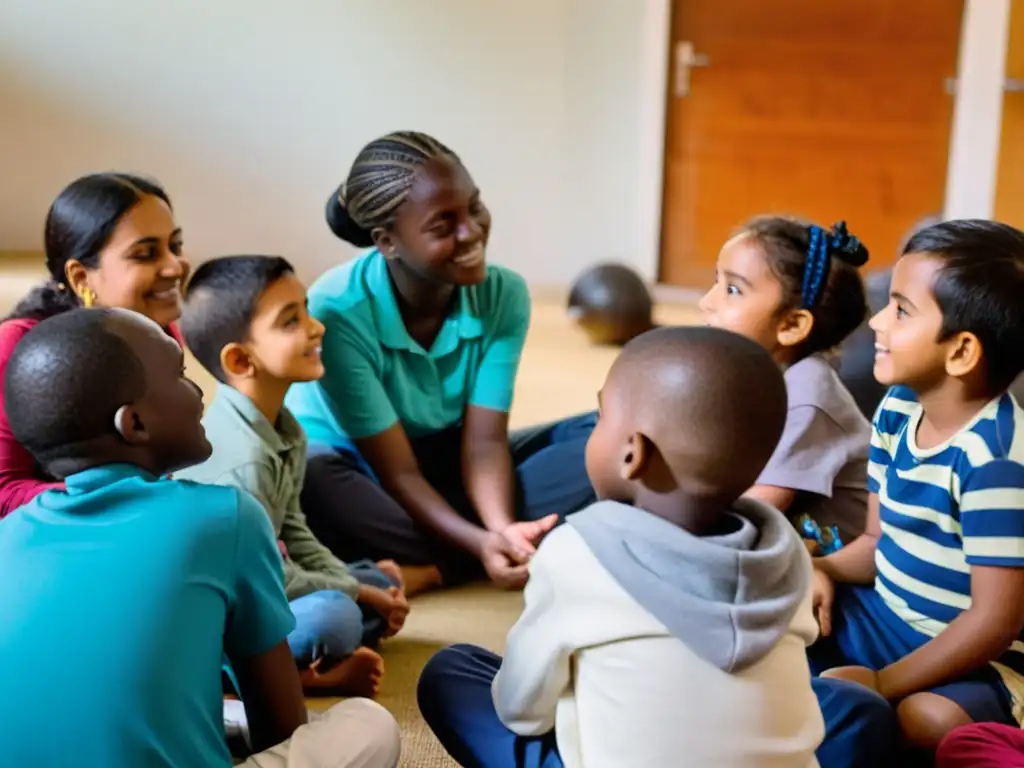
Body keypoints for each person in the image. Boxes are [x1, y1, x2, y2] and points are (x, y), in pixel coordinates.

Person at [417, 326, 899, 768]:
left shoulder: (576, 551)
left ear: (633, 454)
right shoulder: (789, 553)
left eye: (600, 416)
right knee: (857, 710)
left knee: (453, 671)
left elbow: (521, 711)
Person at [0, 308, 401, 767]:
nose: (198, 391)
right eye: (181, 375)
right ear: (135, 425)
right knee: (369, 724)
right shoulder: (223, 516)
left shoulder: (7, 533)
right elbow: (280, 727)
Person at [286, 131, 596, 591]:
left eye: (474, 207)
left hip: (447, 453)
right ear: (387, 242)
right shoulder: (336, 308)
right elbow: (397, 471)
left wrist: (500, 528)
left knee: (611, 437)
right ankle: (460, 557)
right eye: (443, 224)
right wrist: (478, 543)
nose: (471, 231)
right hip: (360, 469)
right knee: (312, 481)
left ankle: (459, 549)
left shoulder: (503, 293)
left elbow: (485, 443)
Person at [808, 219, 1024, 754]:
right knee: (782, 610)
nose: (878, 320)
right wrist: (820, 568)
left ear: (961, 352)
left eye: (901, 310)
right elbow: (878, 543)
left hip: (976, 656)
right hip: (886, 614)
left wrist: (884, 683)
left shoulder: (996, 462)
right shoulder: (899, 407)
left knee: (925, 720)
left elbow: (995, 622)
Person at [177, 255, 415, 697]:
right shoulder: (242, 461)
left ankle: (305, 655)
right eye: (291, 321)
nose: (316, 326)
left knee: (383, 583)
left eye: (306, 309)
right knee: (336, 617)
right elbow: (267, 580)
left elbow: (292, 529)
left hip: (261, 583)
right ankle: (248, 679)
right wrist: (356, 592)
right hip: (217, 617)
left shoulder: (284, 428)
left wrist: (362, 586)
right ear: (240, 359)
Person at [0, 172, 189, 518]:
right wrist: (137, 497)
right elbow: (4, 491)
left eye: (174, 246)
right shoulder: (20, 347)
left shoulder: (159, 331)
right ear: (80, 277)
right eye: (146, 254)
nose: (175, 266)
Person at [700, 216, 873, 549]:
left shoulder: (808, 396)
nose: (707, 301)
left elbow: (759, 508)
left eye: (732, 289)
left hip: (839, 556)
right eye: (716, 282)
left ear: (792, 325)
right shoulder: (754, 372)